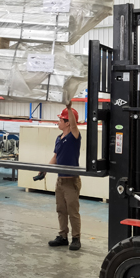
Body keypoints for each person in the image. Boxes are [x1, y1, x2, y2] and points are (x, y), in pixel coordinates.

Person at [43, 102, 82, 251]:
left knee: (73, 211)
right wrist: (44, 170)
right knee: (61, 210)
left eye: (60, 120)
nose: (58, 122)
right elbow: (55, 157)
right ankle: (63, 236)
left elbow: (74, 126)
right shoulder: (59, 138)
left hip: (71, 181)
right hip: (60, 180)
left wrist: (69, 108)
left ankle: (76, 238)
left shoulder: (74, 136)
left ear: (67, 123)